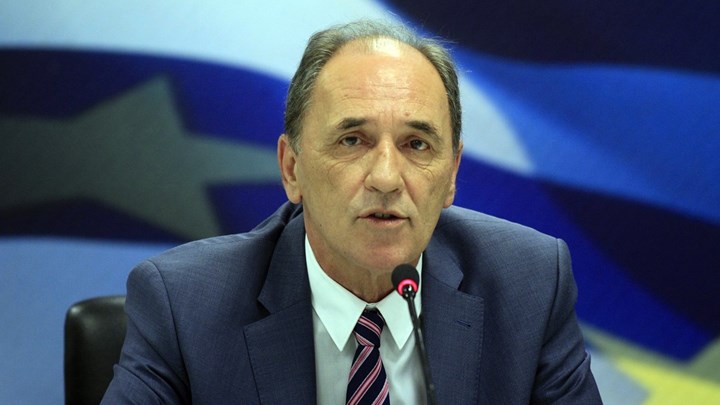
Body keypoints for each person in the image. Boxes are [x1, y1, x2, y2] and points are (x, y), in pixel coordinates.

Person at [102, 20, 602, 404]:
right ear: (292, 169)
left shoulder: (529, 285)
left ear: (451, 174)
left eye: (416, 144)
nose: (386, 178)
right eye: (352, 140)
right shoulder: (185, 306)